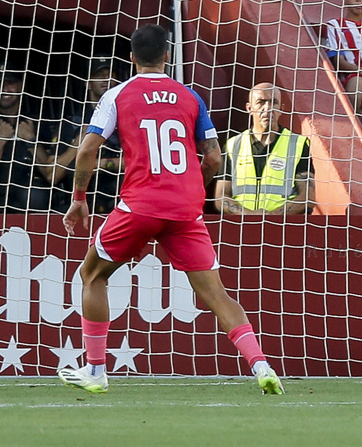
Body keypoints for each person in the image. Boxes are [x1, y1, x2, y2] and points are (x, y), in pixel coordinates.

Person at [59, 25, 283, 395]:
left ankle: (96, 371)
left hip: (140, 205)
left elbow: (86, 151)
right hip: (185, 208)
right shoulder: (190, 97)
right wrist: (194, 188)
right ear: (167, 55)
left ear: (131, 59)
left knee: (92, 276)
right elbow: (213, 155)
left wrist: (79, 199)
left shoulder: (117, 95)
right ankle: (261, 365)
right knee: (216, 294)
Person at [215, 83, 313, 215]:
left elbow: (308, 197)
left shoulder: (298, 144)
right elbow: (220, 198)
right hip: (241, 228)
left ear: (281, 109)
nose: (268, 108)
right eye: (261, 102)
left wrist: (271, 217)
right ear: (249, 108)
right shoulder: (232, 145)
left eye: (274, 102)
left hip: (283, 228)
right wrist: (250, 215)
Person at [41, 60, 122, 215]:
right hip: (79, 202)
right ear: (88, 83)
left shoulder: (126, 119)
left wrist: (101, 163)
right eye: (99, 75)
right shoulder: (71, 124)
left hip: (118, 200)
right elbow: (52, 175)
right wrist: (78, 145)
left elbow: (143, 162)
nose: (106, 80)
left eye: (110, 75)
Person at [0, 68, 50, 211]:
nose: (5, 89)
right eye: (1, 83)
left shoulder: (36, 122)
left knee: (34, 195)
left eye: (10, 83)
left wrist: (30, 139)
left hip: (33, 197)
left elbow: (50, 172)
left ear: (20, 86)